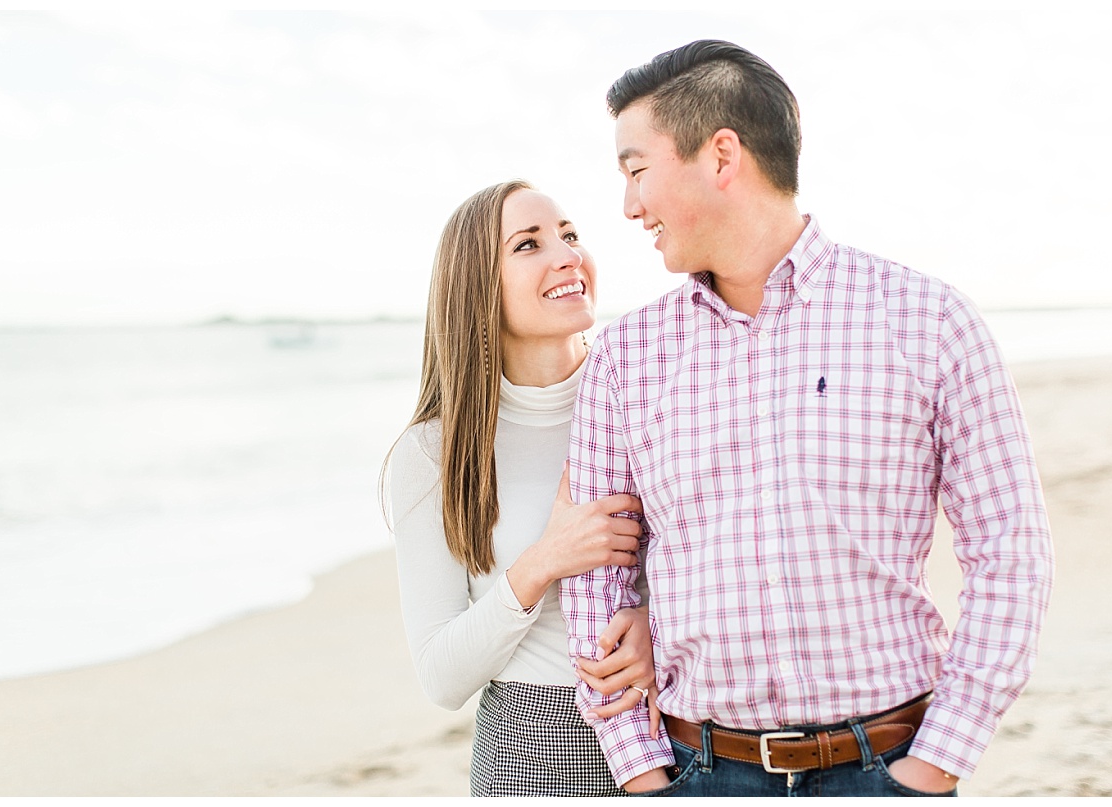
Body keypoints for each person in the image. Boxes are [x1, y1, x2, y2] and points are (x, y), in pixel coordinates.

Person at [560, 40, 1054, 797]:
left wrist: (933, 764)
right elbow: (600, 580)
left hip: (890, 765)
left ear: (721, 156)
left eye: (636, 170)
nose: (629, 206)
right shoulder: (626, 355)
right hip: (695, 772)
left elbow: (1010, 550)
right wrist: (641, 772)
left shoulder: (928, 321)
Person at [384, 180, 662, 797]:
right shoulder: (433, 454)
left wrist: (657, 627)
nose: (566, 255)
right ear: (477, 286)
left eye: (569, 235)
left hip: (669, 726)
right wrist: (542, 563)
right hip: (529, 747)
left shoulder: (647, 403)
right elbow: (441, 676)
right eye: (528, 244)